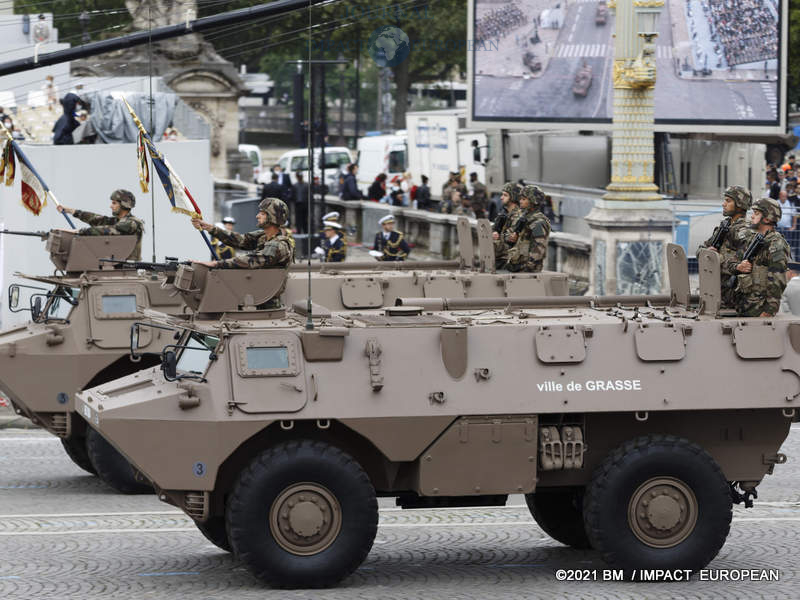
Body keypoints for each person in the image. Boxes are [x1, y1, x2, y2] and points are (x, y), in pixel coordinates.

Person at [191, 198, 293, 271]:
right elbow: (240, 240)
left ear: (273, 217)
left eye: (262, 214)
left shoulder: (279, 245)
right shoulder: (263, 236)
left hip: (267, 298)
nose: (257, 216)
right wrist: (210, 228)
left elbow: (251, 260)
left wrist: (216, 264)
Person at [732, 197, 791, 317]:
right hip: (744, 307)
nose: (752, 216)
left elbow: (777, 281)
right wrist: (739, 266)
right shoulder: (753, 239)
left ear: (767, 218)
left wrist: (768, 312)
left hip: (759, 311)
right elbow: (732, 261)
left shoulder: (776, 244)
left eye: (756, 213)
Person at [697, 185, 752, 309]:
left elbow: (740, 265)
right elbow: (701, 249)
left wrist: (713, 258)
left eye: (728, 201)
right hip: (715, 291)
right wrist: (706, 253)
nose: (723, 204)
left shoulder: (745, 231)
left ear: (740, 204)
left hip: (732, 297)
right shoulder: (725, 226)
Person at [57, 190, 145, 260]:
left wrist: (80, 231)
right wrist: (72, 211)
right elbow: (97, 219)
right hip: (116, 265)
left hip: (128, 267)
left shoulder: (133, 223)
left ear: (123, 205)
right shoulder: (118, 221)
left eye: (114, 203)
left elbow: (109, 230)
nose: (111, 206)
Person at [505, 184, 550, 273]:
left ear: (533, 201)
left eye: (524, 199)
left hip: (527, 271)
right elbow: (508, 234)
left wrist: (528, 267)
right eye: (520, 199)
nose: (520, 201)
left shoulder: (538, 222)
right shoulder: (523, 217)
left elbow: (539, 247)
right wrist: (510, 237)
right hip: (516, 266)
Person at [493, 183, 523, 270]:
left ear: (513, 197)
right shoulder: (504, 215)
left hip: (510, 261)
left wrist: (497, 236)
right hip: (501, 259)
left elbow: (510, 239)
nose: (501, 197)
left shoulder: (519, 217)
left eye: (505, 195)